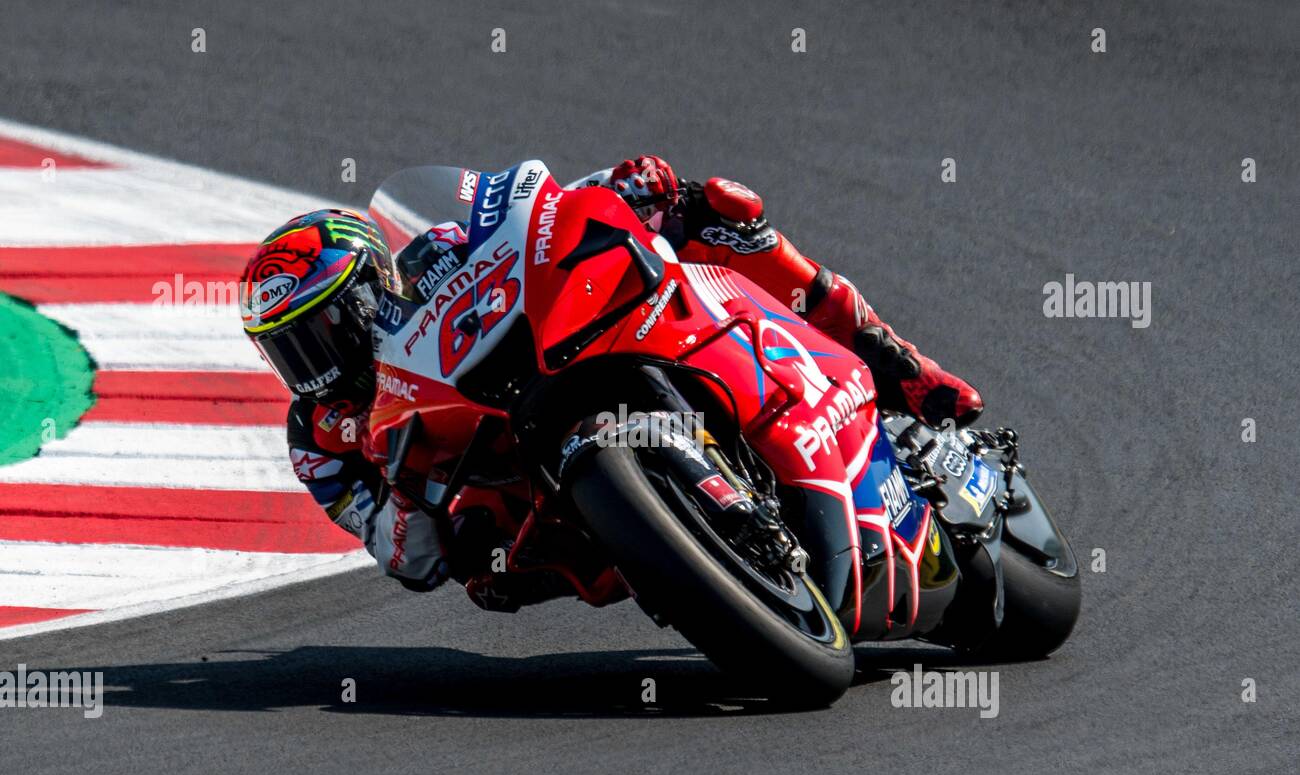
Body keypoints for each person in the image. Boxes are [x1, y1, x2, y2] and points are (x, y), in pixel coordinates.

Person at [237, 157, 982, 598]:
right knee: (482, 557)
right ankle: (693, 557)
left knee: (716, 211)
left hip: (554, 359)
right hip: (510, 497)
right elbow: (400, 556)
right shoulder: (321, 439)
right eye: (289, 351)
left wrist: (621, 186)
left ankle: (901, 365)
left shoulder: (429, 254)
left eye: (320, 332)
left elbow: (533, 222)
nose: (315, 365)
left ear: (370, 286)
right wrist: (404, 505)